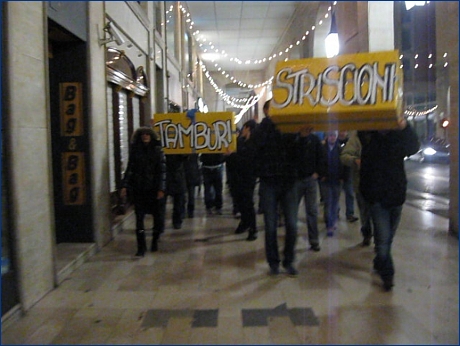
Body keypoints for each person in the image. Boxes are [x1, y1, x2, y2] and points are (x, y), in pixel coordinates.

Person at [358, 119, 420, 291]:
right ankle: (388, 276)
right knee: (383, 241)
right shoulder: (370, 141)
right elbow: (365, 173)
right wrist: (368, 197)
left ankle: (379, 261)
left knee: (388, 239)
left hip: (396, 198)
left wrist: (405, 127)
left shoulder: (397, 138)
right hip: (378, 201)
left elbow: (413, 146)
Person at [252, 100, 300, 276]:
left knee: (292, 224)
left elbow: (297, 152)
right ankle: (273, 262)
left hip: (289, 182)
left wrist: (300, 136)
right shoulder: (262, 129)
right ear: (266, 111)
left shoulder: (290, 126)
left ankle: (289, 260)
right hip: (269, 182)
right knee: (270, 226)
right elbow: (255, 150)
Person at [120, 127, 166, 256]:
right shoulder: (136, 151)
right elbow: (130, 169)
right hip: (139, 189)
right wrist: (125, 186)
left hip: (153, 189)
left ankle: (154, 242)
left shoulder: (157, 151)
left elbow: (162, 171)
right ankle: (141, 247)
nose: (145, 136)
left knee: (157, 218)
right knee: (139, 219)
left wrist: (161, 188)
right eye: (143, 135)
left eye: (147, 134)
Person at [294, 125, 327, 252]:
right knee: (292, 210)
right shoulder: (295, 140)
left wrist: (318, 173)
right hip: (297, 180)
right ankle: (292, 239)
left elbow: (321, 158)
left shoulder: (314, 141)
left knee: (312, 211)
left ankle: (314, 240)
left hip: (310, 179)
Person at [225, 119, 258, 241]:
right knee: (240, 202)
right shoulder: (240, 142)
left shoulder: (253, 144)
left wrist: (232, 155)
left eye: (244, 128)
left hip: (248, 178)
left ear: (248, 128)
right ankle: (244, 223)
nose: (242, 130)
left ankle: (253, 229)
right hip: (236, 178)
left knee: (248, 203)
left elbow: (247, 161)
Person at [340, 130, 373, 246]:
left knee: (379, 213)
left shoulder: (383, 134)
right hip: (361, 183)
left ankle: (380, 240)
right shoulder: (357, 137)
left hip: (380, 184)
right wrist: (355, 161)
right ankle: (367, 233)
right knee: (364, 212)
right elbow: (344, 156)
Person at [320, 130, 346, 237]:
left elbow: (344, 165)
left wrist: (342, 177)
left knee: (335, 203)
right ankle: (329, 225)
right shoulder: (322, 149)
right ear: (327, 137)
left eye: (334, 136)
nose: (332, 138)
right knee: (328, 203)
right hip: (326, 181)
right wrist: (321, 175)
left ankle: (333, 220)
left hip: (336, 180)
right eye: (330, 136)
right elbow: (319, 163)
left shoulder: (340, 149)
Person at [338, 131, 359, 223]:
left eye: (344, 132)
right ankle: (335, 213)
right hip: (336, 174)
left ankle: (350, 214)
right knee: (335, 195)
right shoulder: (333, 143)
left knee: (350, 194)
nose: (342, 133)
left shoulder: (351, 143)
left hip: (348, 174)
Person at [165, 154, 187, 229]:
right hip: (166, 176)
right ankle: (160, 223)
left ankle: (177, 221)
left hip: (177, 176)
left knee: (178, 202)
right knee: (160, 205)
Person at [183, 153, 202, 218]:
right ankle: (187, 211)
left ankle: (189, 211)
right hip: (188, 174)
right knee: (186, 195)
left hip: (190, 174)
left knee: (190, 195)